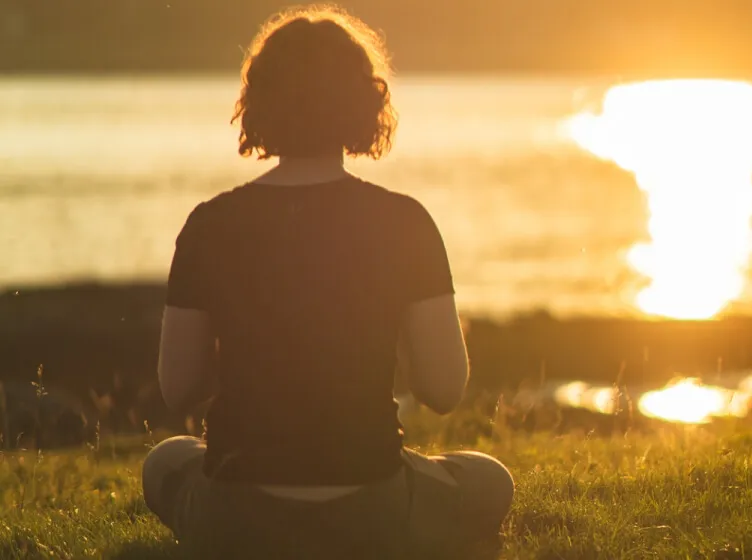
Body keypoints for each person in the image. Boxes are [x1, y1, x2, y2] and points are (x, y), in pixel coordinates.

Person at [140, 6, 513, 558]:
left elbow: (178, 388)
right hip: (372, 513)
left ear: (259, 103)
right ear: (365, 103)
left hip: (236, 519)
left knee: (165, 460)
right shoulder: (404, 221)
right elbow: (443, 389)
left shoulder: (209, 224)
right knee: (489, 478)